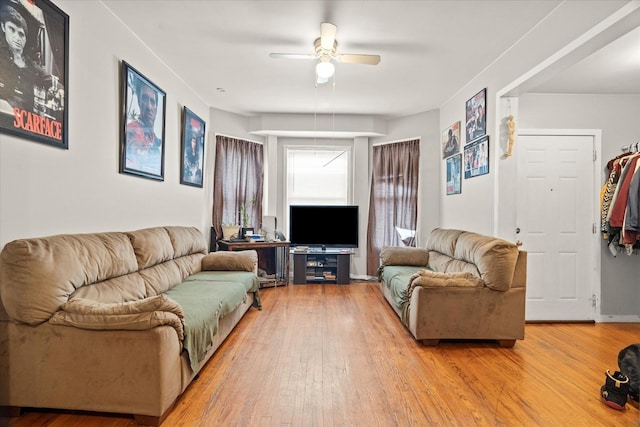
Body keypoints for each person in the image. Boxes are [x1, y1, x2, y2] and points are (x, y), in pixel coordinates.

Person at [0, 3, 47, 114]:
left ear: (26, 38)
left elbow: (47, 78)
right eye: (11, 29)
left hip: (28, 118)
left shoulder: (30, 63)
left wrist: (60, 89)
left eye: (21, 34)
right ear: (3, 27)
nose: (17, 38)